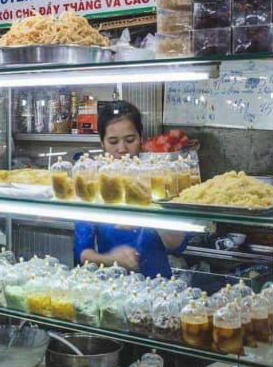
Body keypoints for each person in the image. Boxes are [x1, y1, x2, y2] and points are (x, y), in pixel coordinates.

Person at [74, 101, 189, 278]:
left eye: (130, 140)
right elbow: (81, 253)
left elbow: (178, 245)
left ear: (141, 138)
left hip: (158, 287)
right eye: (113, 141)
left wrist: (151, 219)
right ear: (102, 144)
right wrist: (111, 259)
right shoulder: (93, 184)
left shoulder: (159, 178)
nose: (122, 149)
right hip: (113, 286)